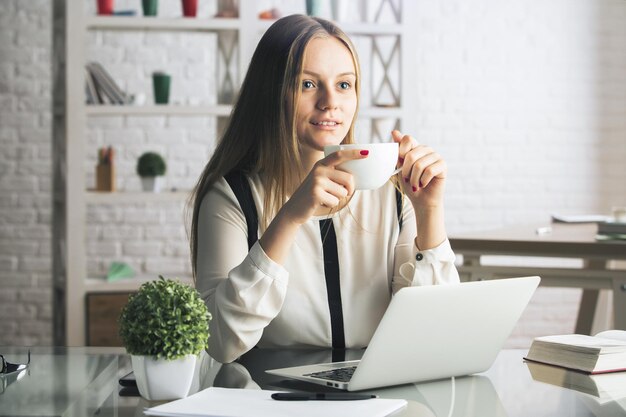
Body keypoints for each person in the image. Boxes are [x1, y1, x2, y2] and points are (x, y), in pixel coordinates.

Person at [189, 14, 460, 364]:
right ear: (271, 94)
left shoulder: (391, 194)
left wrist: (429, 211)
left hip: (376, 395)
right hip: (267, 397)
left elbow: (434, 333)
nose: (330, 102)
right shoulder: (231, 197)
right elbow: (221, 342)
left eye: (344, 85)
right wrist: (290, 216)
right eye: (307, 84)